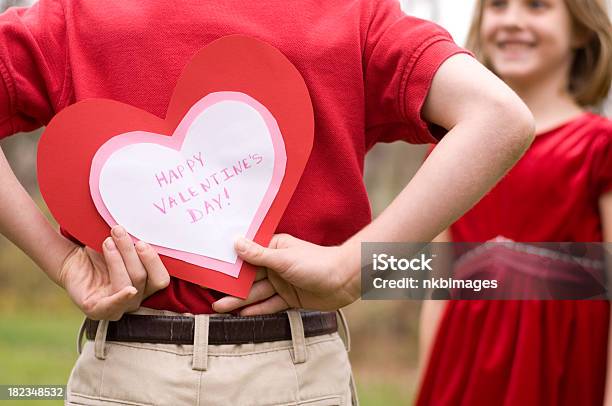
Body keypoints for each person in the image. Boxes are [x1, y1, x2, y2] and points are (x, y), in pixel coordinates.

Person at [0, 0, 534, 404]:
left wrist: (354, 266)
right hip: (291, 369)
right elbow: (497, 116)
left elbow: (500, 119)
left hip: (133, 367)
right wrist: (353, 266)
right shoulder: (354, 12)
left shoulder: (80, 12)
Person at [413, 0, 612, 405]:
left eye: (537, 6)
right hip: (461, 376)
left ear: (579, 30)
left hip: (559, 373)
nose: (513, 21)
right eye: (498, 6)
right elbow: (439, 288)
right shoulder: (449, 152)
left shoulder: (598, 148)